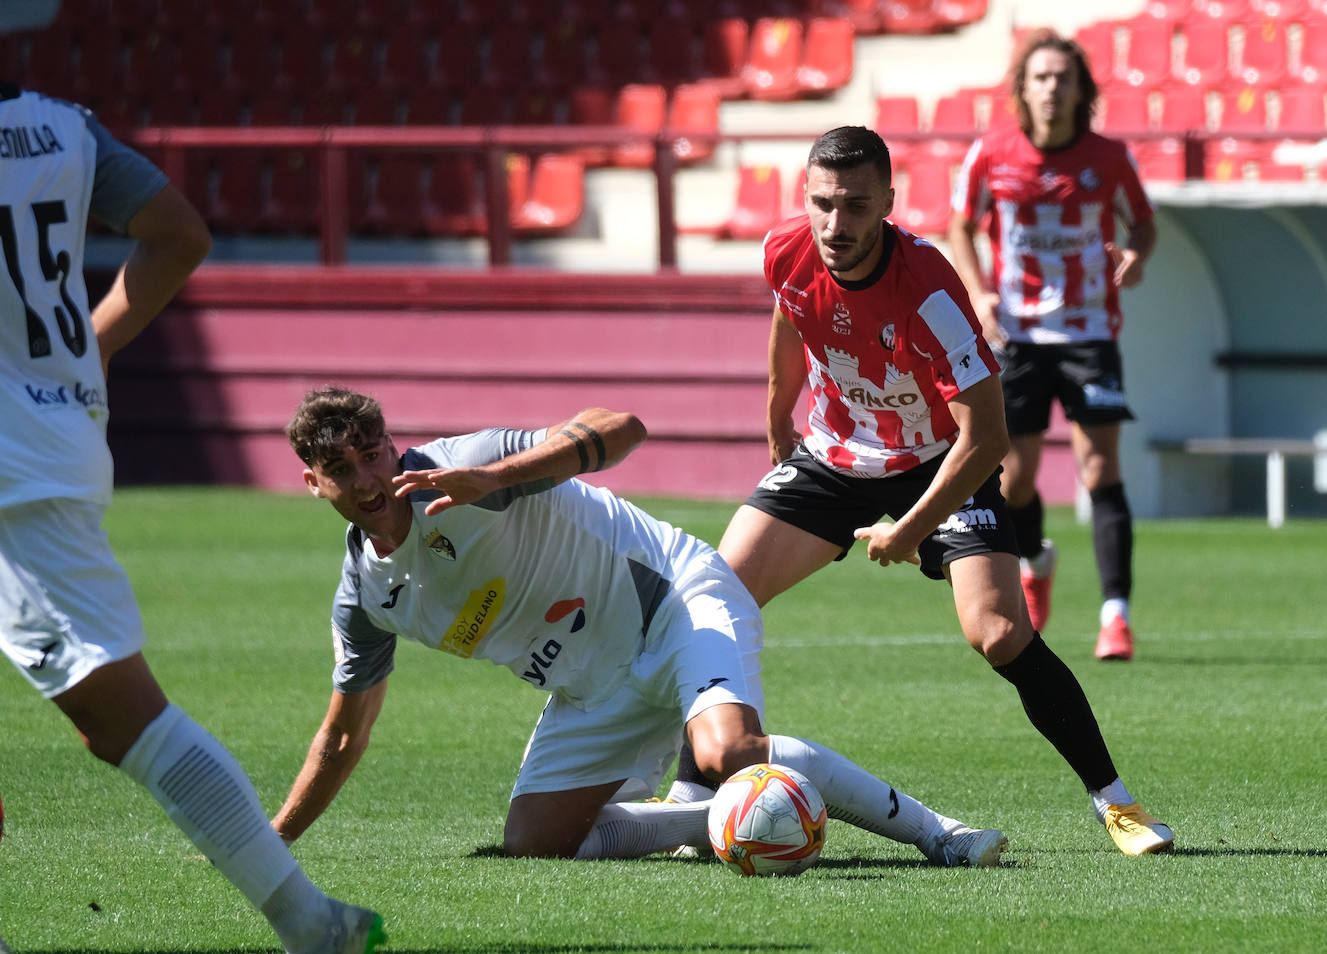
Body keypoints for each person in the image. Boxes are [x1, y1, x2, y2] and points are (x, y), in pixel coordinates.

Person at [667, 124, 1172, 856]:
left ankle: (1116, 804)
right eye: (823, 204)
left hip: (939, 461)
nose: (836, 225)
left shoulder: (930, 288)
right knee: (716, 593)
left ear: (889, 204)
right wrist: (780, 411)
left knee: (998, 633)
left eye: (856, 207)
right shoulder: (787, 246)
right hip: (836, 454)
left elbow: (987, 439)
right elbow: (791, 312)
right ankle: (689, 797)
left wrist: (910, 531)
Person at [273, 385, 1009, 869]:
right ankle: (711, 819)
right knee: (536, 844)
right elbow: (343, 736)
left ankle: (939, 834)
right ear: (313, 484)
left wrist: (496, 480)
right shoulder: (366, 597)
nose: (368, 481)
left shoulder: (462, 467)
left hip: (675, 602)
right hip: (592, 689)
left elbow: (621, 428)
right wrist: (271, 843)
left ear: (389, 442)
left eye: (372, 455)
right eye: (341, 470)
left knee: (732, 752)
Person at [0, 84, 383, 954]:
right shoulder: (58, 126)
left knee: (121, 716)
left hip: (13, 468)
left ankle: (310, 923)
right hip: (43, 438)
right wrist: (81, 351)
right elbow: (179, 235)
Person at [947, 29, 1157, 661]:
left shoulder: (1109, 156)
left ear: (1080, 90)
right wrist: (978, 294)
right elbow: (958, 222)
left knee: (1100, 470)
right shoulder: (991, 153)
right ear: (1023, 89)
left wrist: (1136, 256)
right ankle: (1037, 560)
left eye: (1063, 78)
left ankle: (1115, 614)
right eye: (1040, 77)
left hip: (1090, 332)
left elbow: (1143, 221)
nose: (1051, 88)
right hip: (1018, 336)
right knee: (1014, 479)